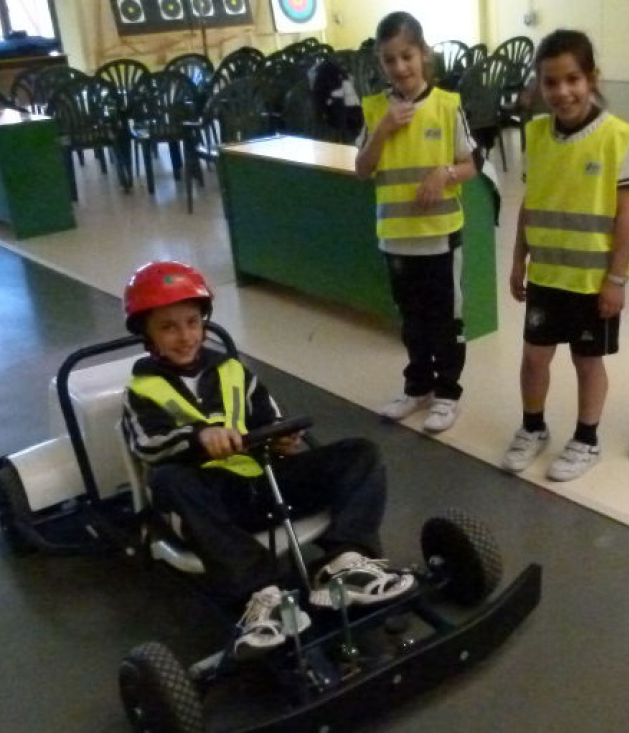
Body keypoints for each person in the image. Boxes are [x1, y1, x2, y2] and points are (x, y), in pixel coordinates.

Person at [119, 261, 415, 659]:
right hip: (210, 503)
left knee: (359, 453)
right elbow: (147, 445)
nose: (185, 336)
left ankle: (345, 560)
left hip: (262, 482)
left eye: (191, 322)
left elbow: (269, 419)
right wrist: (198, 437)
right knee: (169, 480)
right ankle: (261, 593)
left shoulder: (233, 371)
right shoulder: (142, 390)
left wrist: (283, 438)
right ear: (147, 335)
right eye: (168, 327)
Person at [500, 29, 629, 482]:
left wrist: (616, 280)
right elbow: (530, 201)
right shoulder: (537, 134)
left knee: (586, 361)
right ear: (540, 86)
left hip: (592, 282)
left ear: (592, 78)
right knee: (534, 357)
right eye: (551, 82)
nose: (563, 92)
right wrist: (519, 259)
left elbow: (626, 216)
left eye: (573, 79)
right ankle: (533, 427)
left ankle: (586, 438)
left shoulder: (617, 138)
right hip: (547, 274)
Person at [355, 11, 480, 434]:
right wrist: (384, 130)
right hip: (396, 238)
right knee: (411, 320)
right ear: (381, 65)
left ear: (423, 54)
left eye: (407, 56)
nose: (401, 68)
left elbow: (471, 164)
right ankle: (417, 387)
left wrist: (442, 173)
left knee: (445, 318)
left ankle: (447, 393)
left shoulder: (447, 105)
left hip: (440, 237)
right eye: (390, 60)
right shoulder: (375, 110)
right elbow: (362, 168)